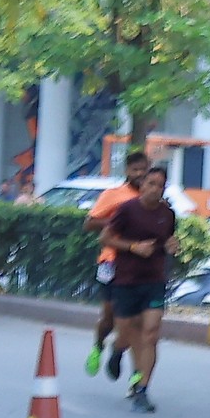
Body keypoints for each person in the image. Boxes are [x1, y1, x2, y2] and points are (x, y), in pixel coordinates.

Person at [101, 163, 179, 413]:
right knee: (126, 332)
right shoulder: (127, 209)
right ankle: (117, 350)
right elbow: (105, 238)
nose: (155, 189)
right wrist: (134, 247)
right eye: (151, 184)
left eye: (160, 185)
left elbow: (168, 240)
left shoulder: (167, 214)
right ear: (142, 185)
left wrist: (172, 246)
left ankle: (142, 389)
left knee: (151, 334)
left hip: (154, 280)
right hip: (126, 280)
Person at [83, 147, 151, 379]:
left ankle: (126, 360)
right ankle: (98, 345)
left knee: (134, 320)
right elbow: (89, 223)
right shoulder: (114, 194)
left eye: (144, 170)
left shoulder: (152, 198)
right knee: (110, 316)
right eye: (135, 170)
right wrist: (119, 222)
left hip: (141, 266)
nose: (140, 174)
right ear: (127, 171)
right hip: (112, 261)